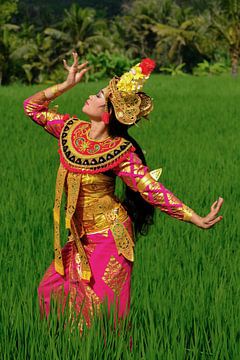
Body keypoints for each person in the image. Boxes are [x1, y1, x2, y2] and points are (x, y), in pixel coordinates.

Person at [23, 51, 224, 330]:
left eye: (97, 96)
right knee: (50, 292)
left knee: (102, 312)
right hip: (79, 235)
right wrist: (65, 84)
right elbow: (31, 108)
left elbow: (151, 189)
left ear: (107, 114)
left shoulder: (120, 152)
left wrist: (194, 217)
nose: (90, 97)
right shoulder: (71, 131)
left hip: (109, 236)